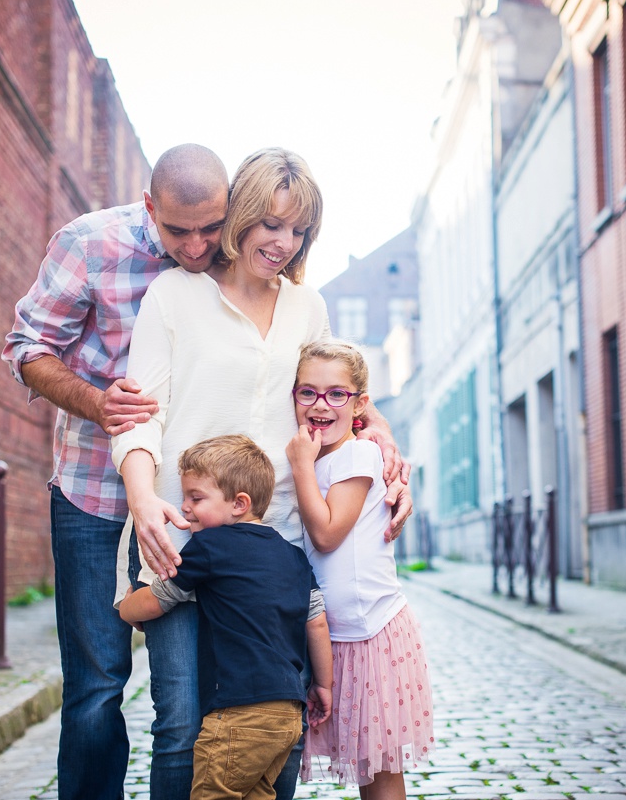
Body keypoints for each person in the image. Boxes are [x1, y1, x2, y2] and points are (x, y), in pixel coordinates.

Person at [110, 147, 409, 800]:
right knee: (184, 719)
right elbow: (138, 416)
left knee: (282, 723)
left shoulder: (308, 307)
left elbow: (338, 396)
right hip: (181, 542)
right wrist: (141, 497)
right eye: (271, 223)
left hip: (274, 555)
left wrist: (381, 436)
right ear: (241, 215)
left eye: (299, 229)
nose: (283, 242)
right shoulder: (174, 296)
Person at [1, 144, 231, 800]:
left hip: (194, 504)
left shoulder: (241, 252)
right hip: (93, 491)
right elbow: (26, 348)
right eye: (178, 230)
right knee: (98, 677)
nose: (195, 246)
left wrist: (374, 432)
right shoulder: (89, 243)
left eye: (209, 229)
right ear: (150, 207)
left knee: (193, 682)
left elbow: (301, 361)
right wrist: (96, 402)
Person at [118, 435, 334, 800]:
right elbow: (317, 622)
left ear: (239, 504)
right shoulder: (294, 557)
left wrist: (125, 604)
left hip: (238, 715)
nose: (184, 508)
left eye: (196, 498)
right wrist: (323, 685)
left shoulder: (209, 547)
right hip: (287, 714)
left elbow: (158, 601)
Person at [285, 340, 435, 799]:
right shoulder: (322, 457)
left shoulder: (358, 456)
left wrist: (300, 467)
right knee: (362, 762)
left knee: (379, 769)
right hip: (332, 636)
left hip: (370, 632)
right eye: (307, 393)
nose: (320, 405)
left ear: (359, 405)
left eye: (336, 394)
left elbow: (328, 534)